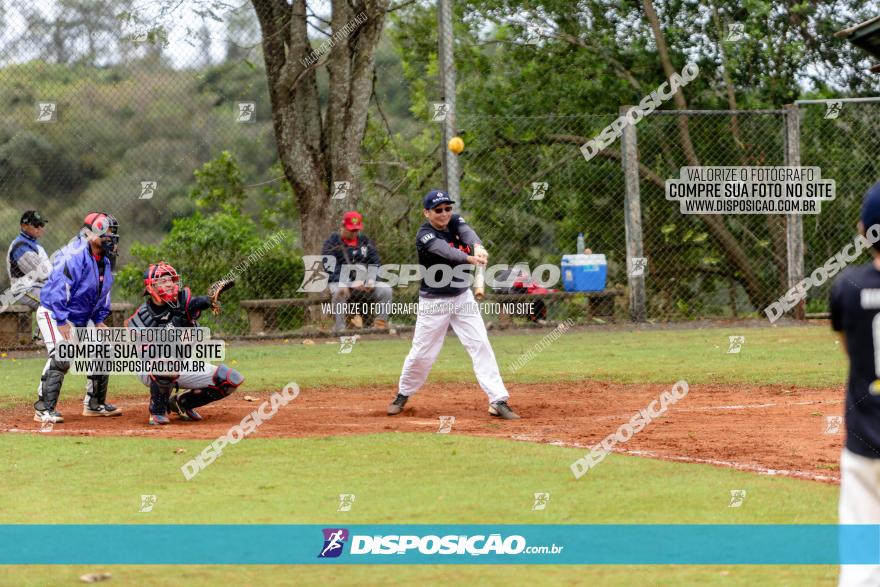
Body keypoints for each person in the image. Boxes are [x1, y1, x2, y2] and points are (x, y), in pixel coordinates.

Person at [387, 189, 520, 420]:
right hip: (434, 303)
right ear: (426, 213)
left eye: (448, 208)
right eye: (438, 210)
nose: (444, 213)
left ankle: (498, 400)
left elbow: (467, 234)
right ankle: (403, 394)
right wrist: (470, 258)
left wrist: (477, 247)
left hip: (462, 297)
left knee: (480, 344)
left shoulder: (455, 221)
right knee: (422, 354)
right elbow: (445, 251)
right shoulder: (424, 235)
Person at [830, 181, 880, 587]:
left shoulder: (846, 287)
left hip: (864, 440)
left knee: (863, 566)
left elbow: (852, 350)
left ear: (865, 230)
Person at [125, 262, 243, 425]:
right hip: (149, 367)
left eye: (171, 280)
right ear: (151, 287)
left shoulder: (180, 303)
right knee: (167, 362)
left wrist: (209, 300)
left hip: (179, 363)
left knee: (229, 379)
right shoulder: (143, 316)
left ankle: (181, 403)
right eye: (163, 281)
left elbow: (195, 303)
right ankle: (157, 411)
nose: (169, 284)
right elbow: (146, 354)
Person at [34, 212, 121, 423]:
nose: (111, 237)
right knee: (62, 356)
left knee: (103, 349)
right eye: (106, 232)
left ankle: (94, 404)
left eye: (112, 233)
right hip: (56, 312)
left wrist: (99, 319)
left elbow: (102, 292)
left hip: (82, 316)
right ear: (89, 233)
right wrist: (63, 321)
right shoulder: (73, 254)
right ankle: (43, 409)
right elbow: (57, 287)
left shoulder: (105, 260)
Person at [321, 210, 392, 332]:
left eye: (356, 229)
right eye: (351, 229)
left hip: (364, 283)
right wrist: (348, 282)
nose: (354, 233)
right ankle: (340, 328)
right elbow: (330, 268)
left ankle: (380, 324)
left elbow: (375, 262)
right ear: (342, 226)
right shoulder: (331, 243)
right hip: (340, 282)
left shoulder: (365, 241)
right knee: (339, 291)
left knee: (386, 290)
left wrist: (371, 279)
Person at [6, 210, 51, 311]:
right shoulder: (20, 246)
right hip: (24, 289)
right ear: (24, 226)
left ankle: (46, 327)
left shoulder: (35, 245)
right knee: (55, 302)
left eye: (41, 224)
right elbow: (42, 274)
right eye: (36, 225)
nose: (40, 228)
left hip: (37, 286)